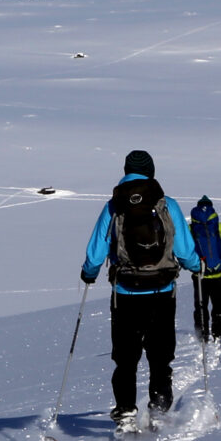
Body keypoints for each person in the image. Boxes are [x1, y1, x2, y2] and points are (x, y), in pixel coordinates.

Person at [79, 150, 203, 425]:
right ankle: (159, 408)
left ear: (125, 170)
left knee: (126, 355)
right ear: (151, 170)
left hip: (125, 292)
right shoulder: (166, 204)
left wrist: (89, 273)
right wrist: (196, 266)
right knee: (160, 353)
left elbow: (97, 250)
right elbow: (183, 248)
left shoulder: (114, 205)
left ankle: (125, 410)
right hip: (162, 290)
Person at [187, 195, 221, 343]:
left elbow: (185, 248)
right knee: (218, 304)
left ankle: (202, 334)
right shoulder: (219, 227)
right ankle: (218, 332)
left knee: (200, 305)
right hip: (219, 274)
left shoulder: (191, 228)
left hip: (199, 274)